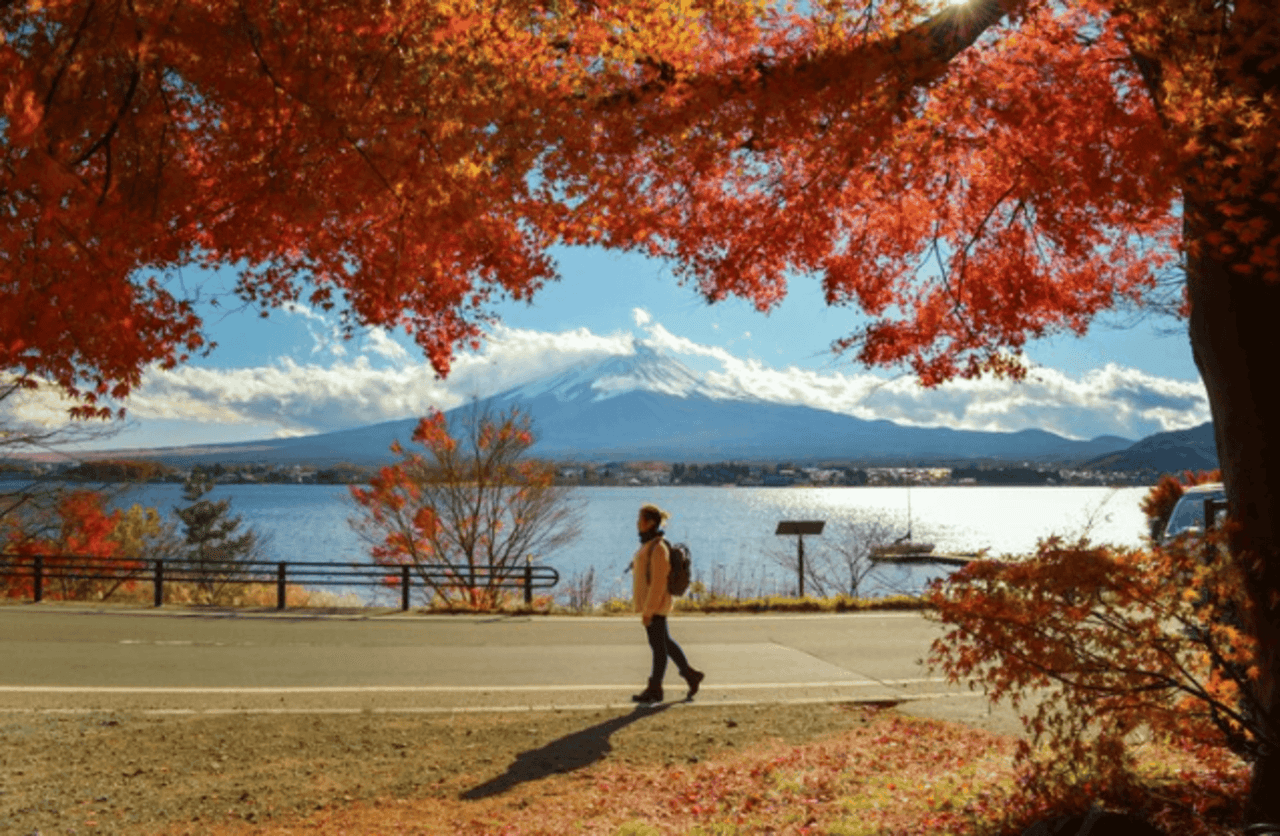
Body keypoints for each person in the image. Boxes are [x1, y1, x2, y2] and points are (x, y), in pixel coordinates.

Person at [631, 503, 704, 704]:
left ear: (651, 522)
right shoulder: (650, 545)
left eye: (641, 520)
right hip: (654, 605)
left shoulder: (658, 548)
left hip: (656, 605)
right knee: (666, 644)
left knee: (659, 648)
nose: (638, 524)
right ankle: (691, 675)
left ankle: (655, 689)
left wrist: (649, 610)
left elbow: (658, 583)